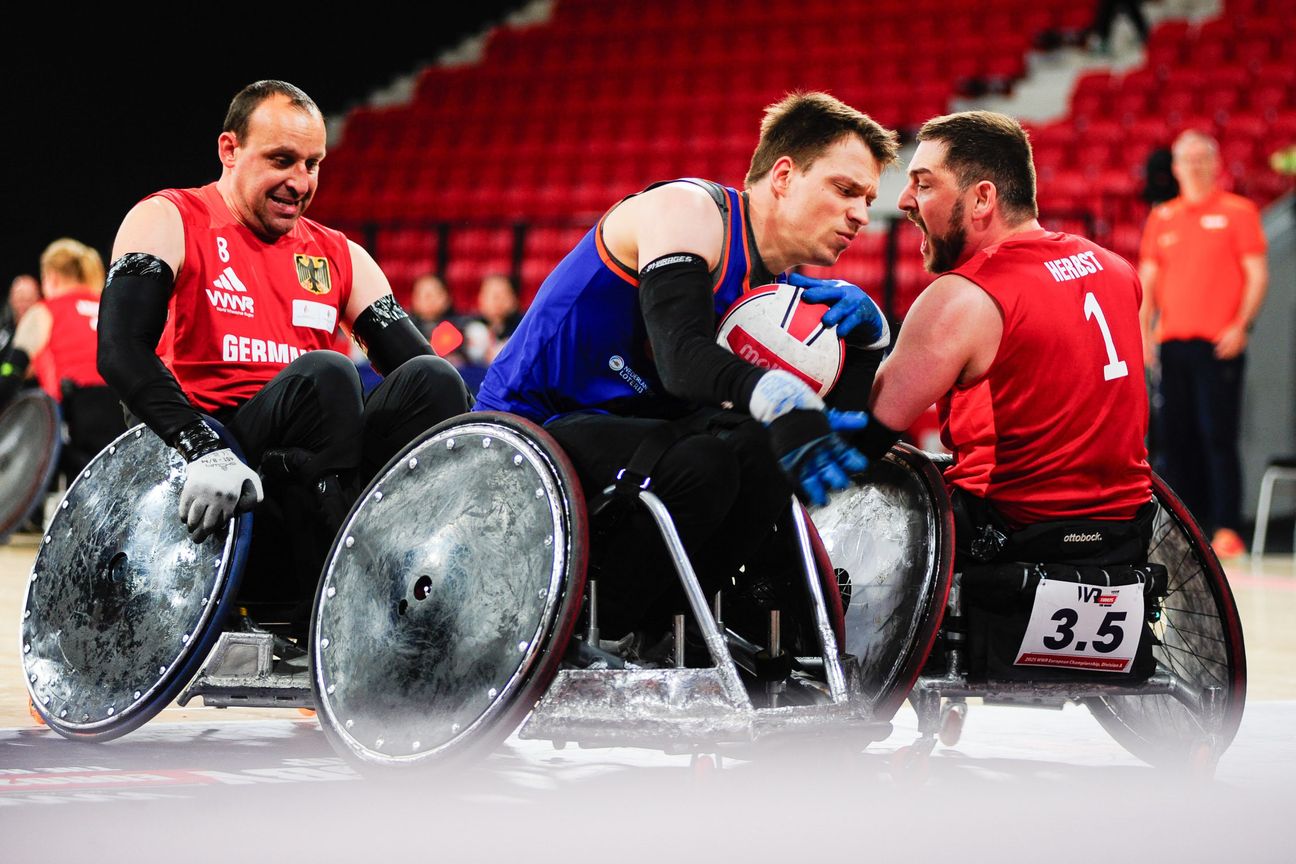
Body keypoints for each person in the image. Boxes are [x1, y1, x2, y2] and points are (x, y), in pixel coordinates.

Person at [475, 91, 898, 638]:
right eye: (845, 190)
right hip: (525, 433)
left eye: (868, 198)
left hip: (628, 441)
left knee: (766, 454)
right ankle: (594, 634)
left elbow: (836, 448)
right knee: (705, 464)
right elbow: (680, 359)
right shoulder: (687, 210)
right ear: (784, 176)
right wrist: (773, 395)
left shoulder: (779, 299)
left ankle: (668, 634)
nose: (861, 214)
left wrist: (868, 347)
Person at [96, 80, 469, 613]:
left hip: (317, 462)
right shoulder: (169, 217)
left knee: (436, 380)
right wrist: (201, 446)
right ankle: (333, 604)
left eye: (312, 164)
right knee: (327, 376)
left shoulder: (340, 255)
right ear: (230, 150)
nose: (300, 181)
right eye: (282, 160)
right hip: (213, 459)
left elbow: (423, 379)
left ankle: (418, 577)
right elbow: (120, 350)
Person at [870, 110, 1152, 567]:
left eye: (923, 184)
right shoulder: (1117, 269)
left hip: (1008, 537)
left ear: (982, 198)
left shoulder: (962, 296)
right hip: (1125, 534)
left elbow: (871, 428)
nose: (904, 200)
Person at [1139, 130, 1268, 558]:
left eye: (1201, 158)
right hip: (1172, 345)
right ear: (1175, 168)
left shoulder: (1239, 212)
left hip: (1218, 346)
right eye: (1187, 159)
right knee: (1175, 440)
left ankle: (1227, 527)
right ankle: (1182, 530)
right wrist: (1143, 334)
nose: (1194, 166)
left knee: (1218, 436)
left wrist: (1241, 326)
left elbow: (1256, 273)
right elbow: (1148, 282)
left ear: (1216, 164)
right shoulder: (1163, 217)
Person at [0, 239, 127, 480]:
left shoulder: (45, 310)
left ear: (51, 276)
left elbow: (11, 373)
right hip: (125, 408)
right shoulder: (109, 305)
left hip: (81, 412)